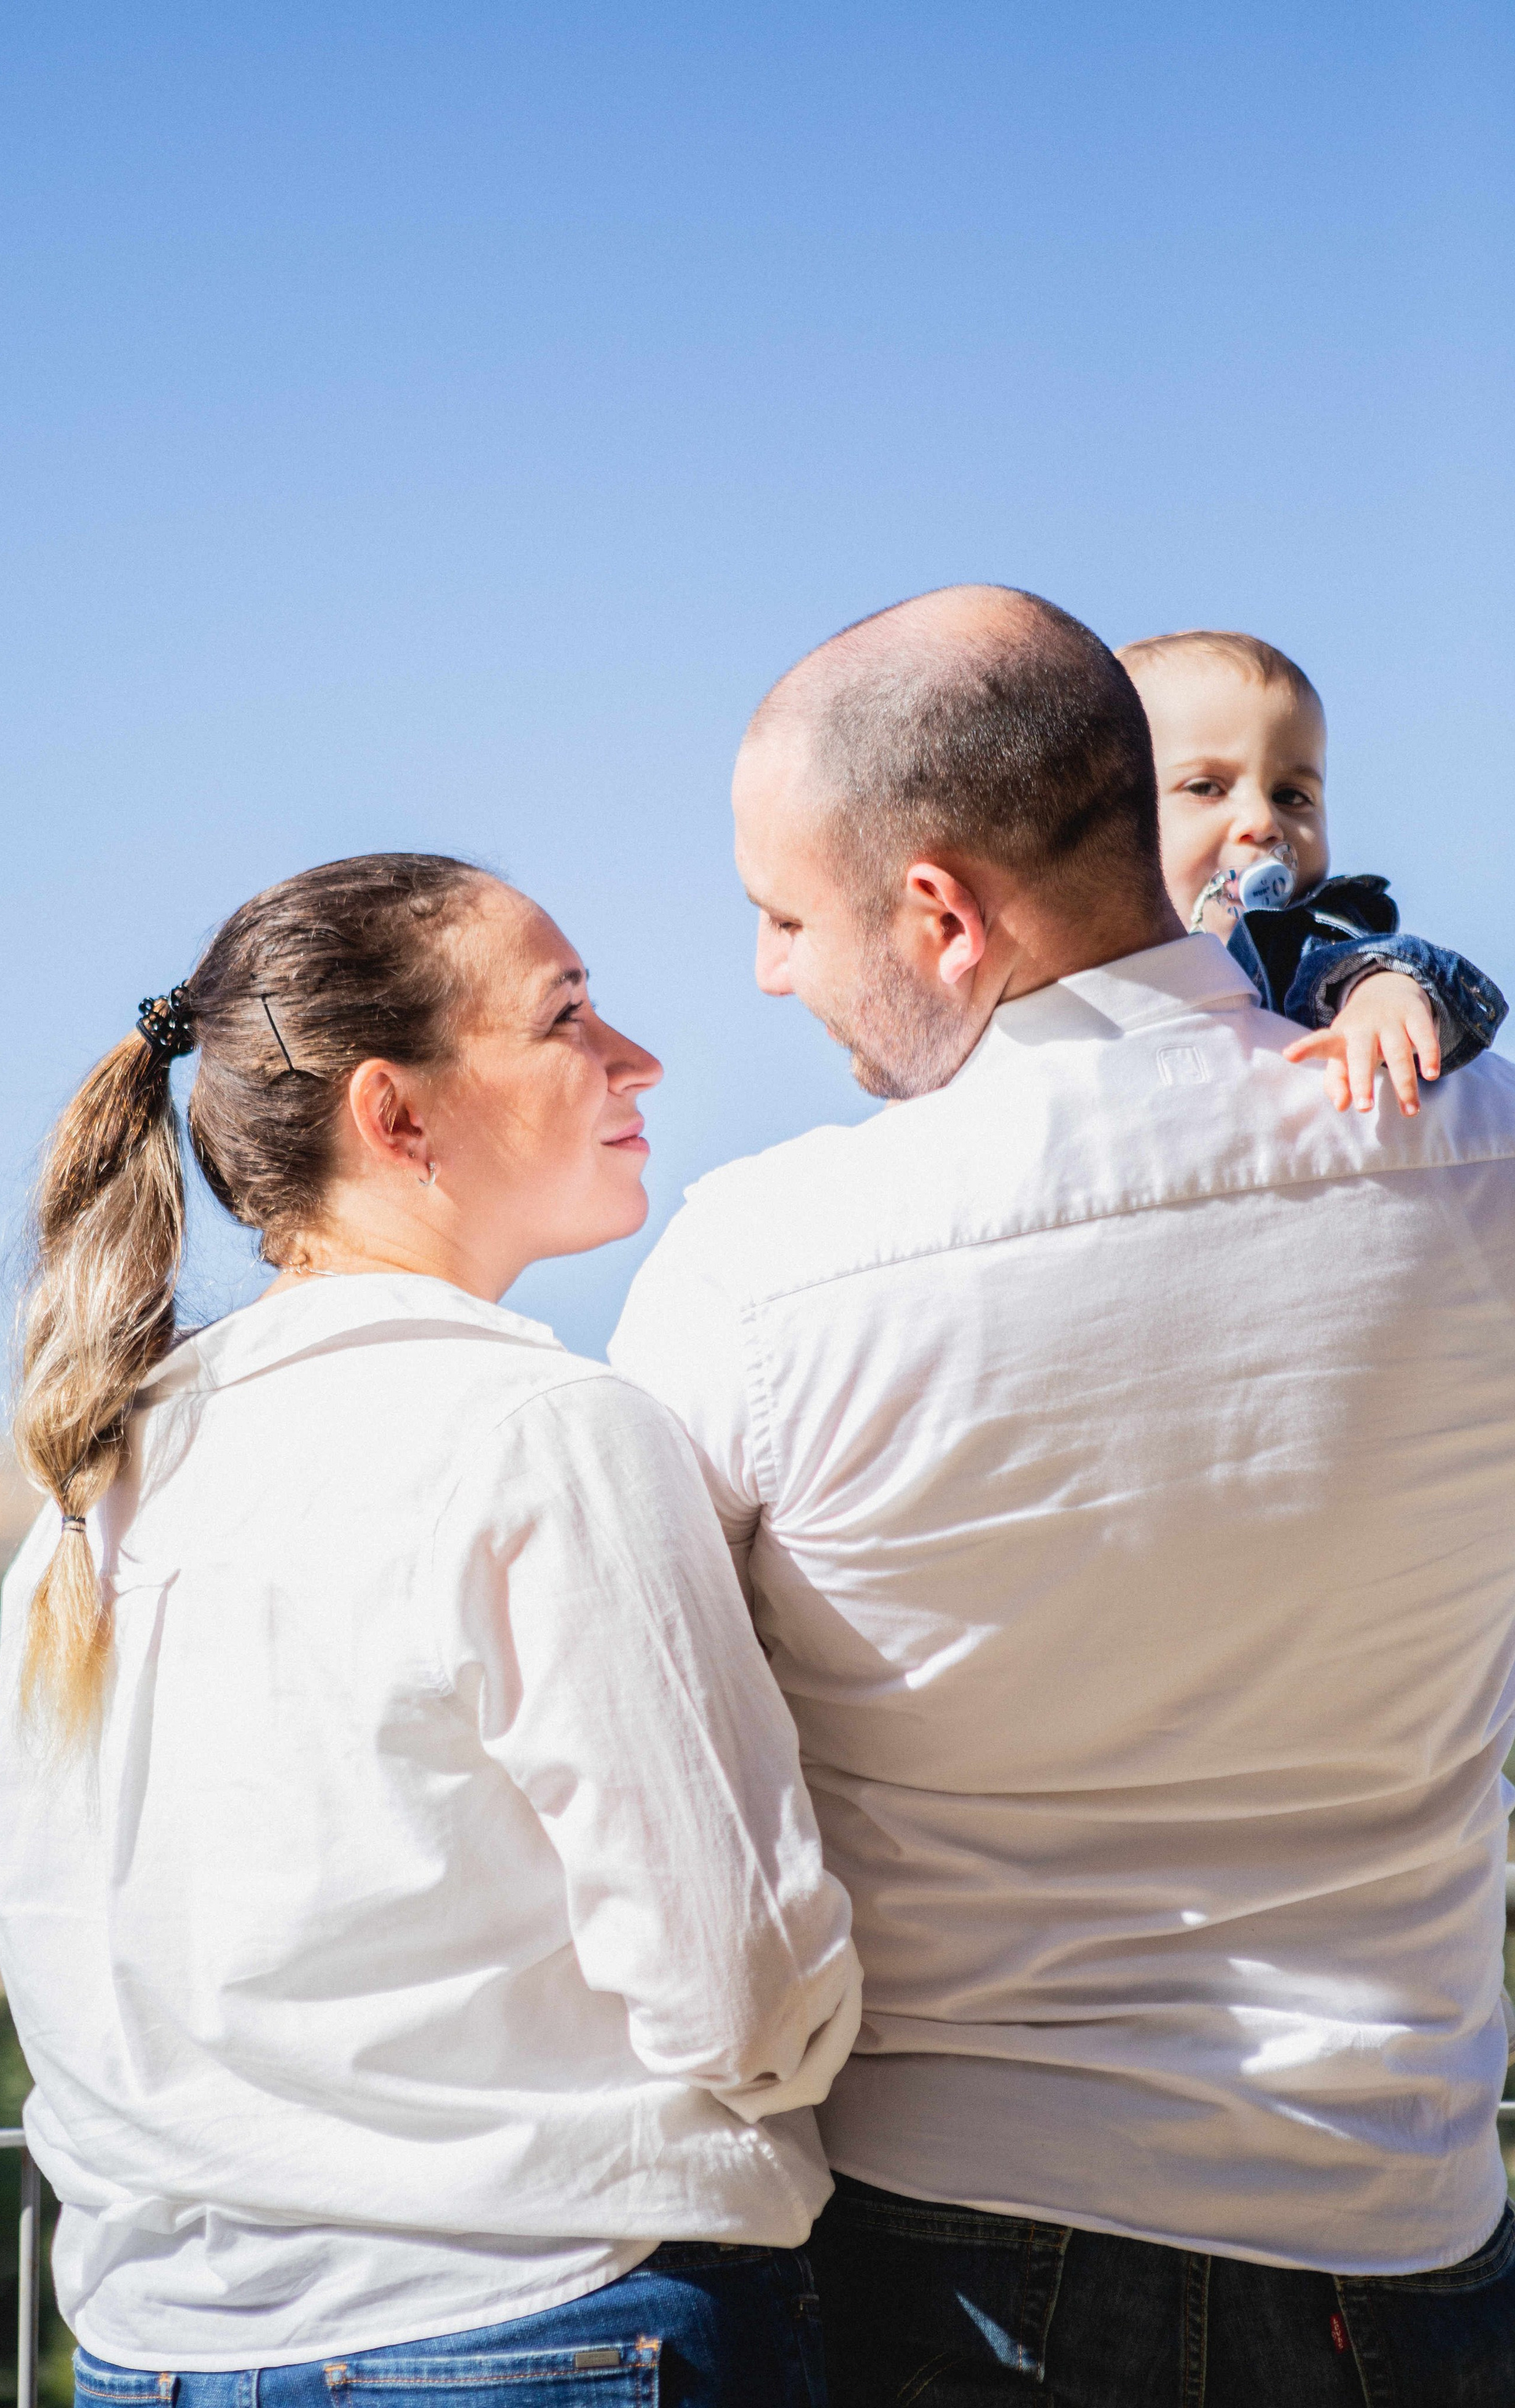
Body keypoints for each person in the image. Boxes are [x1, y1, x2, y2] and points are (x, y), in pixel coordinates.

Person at [609, 590, 1515, 2404]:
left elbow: (623, 1745)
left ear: (937, 912)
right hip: (1400, 2241)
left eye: (784, 916)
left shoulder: (766, 1266)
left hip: (955, 2266)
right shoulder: (1479, 1159)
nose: (768, 972)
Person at [0, 853, 860, 2408]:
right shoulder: (546, 1428)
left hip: (149, 2352)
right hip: (540, 2329)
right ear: (396, 1114)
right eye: (567, 1013)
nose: (636, 1056)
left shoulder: (100, 1463)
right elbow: (742, 1993)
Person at [1120, 625, 1506, 1117]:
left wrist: (1381, 995)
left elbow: (1357, 959)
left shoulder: (1303, 936)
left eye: (1291, 796)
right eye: (1206, 788)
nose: (1263, 823)